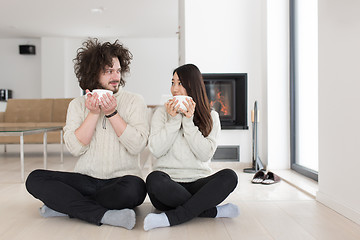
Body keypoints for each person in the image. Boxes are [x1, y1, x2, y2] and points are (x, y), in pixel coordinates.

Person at [25, 38, 149, 230]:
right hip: (86, 179)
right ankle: (104, 214)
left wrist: (112, 114)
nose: (116, 76)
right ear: (92, 73)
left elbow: (137, 145)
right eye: (108, 71)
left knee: (136, 190)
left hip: (122, 180)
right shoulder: (77, 105)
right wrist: (93, 114)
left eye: (117, 70)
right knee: (35, 178)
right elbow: (75, 148)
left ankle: (66, 206)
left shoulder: (134, 101)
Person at [144, 64, 239, 231]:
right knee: (153, 180)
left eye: (180, 83)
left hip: (198, 183)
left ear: (193, 86)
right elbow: (156, 150)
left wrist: (188, 122)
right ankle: (210, 211)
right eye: (172, 83)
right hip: (168, 185)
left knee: (230, 176)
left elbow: (204, 155)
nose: (174, 89)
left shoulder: (212, 116)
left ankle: (172, 217)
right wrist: (174, 121)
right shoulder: (161, 113)